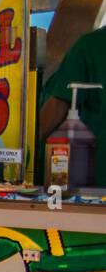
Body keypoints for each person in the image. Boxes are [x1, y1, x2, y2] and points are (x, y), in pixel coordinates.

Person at [39, 25, 106, 183]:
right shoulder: (91, 46)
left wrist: (25, 150)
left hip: (93, 185)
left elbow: (56, 108)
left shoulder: (89, 45)